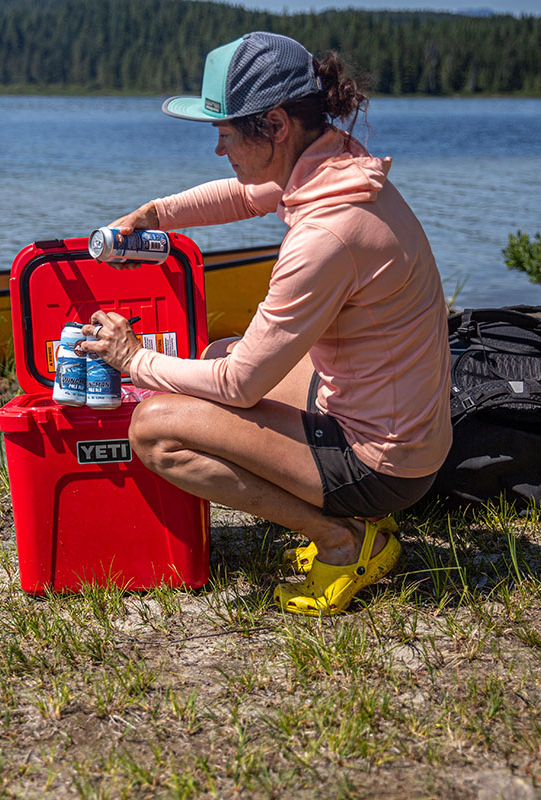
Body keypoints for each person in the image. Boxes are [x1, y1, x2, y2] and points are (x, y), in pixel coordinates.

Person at [77, 31, 452, 616]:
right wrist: (157, 214)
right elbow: (245, 195)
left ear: (275, 125)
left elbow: (240, 387)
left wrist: (132, 361)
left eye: (225, 134)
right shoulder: (336, 165)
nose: (219, 150)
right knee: (218, 351)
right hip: (409, 429)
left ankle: (345, 539)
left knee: (154, 429)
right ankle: (344, 519)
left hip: (384, 466)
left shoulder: (325, 233)